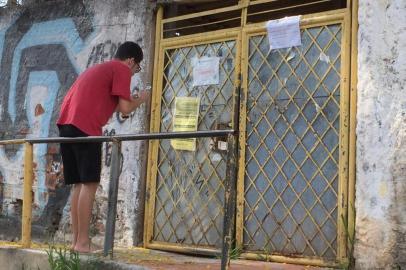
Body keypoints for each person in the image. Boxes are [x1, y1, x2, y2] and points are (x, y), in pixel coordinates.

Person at [57, 41, 149, 253]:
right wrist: (141, 99)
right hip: (85, 127)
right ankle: (82, 243)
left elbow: (117, 105)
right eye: (137, 68)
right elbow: (126, 109)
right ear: (131, 60)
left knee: (79, 185)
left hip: (67, 125)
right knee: (89, 184)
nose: (135, 73)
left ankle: (76, 242)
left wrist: (130, 101)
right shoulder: (121, 69)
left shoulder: (101, 68)